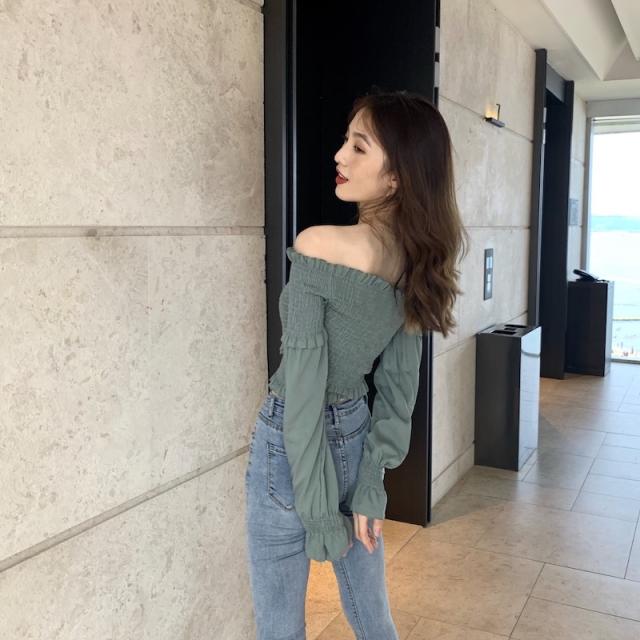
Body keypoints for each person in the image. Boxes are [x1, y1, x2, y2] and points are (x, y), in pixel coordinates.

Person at [244, 89, 469, 640]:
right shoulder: (416, 263)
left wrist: (320, 512)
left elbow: (302, 391)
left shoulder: (318, 244)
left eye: (359, 147)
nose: (339, 155)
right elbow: (398, 386)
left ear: (395, 178)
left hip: (289, 447)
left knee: (279, 628)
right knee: (374, 620)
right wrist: (371, 482)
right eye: (347, 141)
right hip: (356, 434)